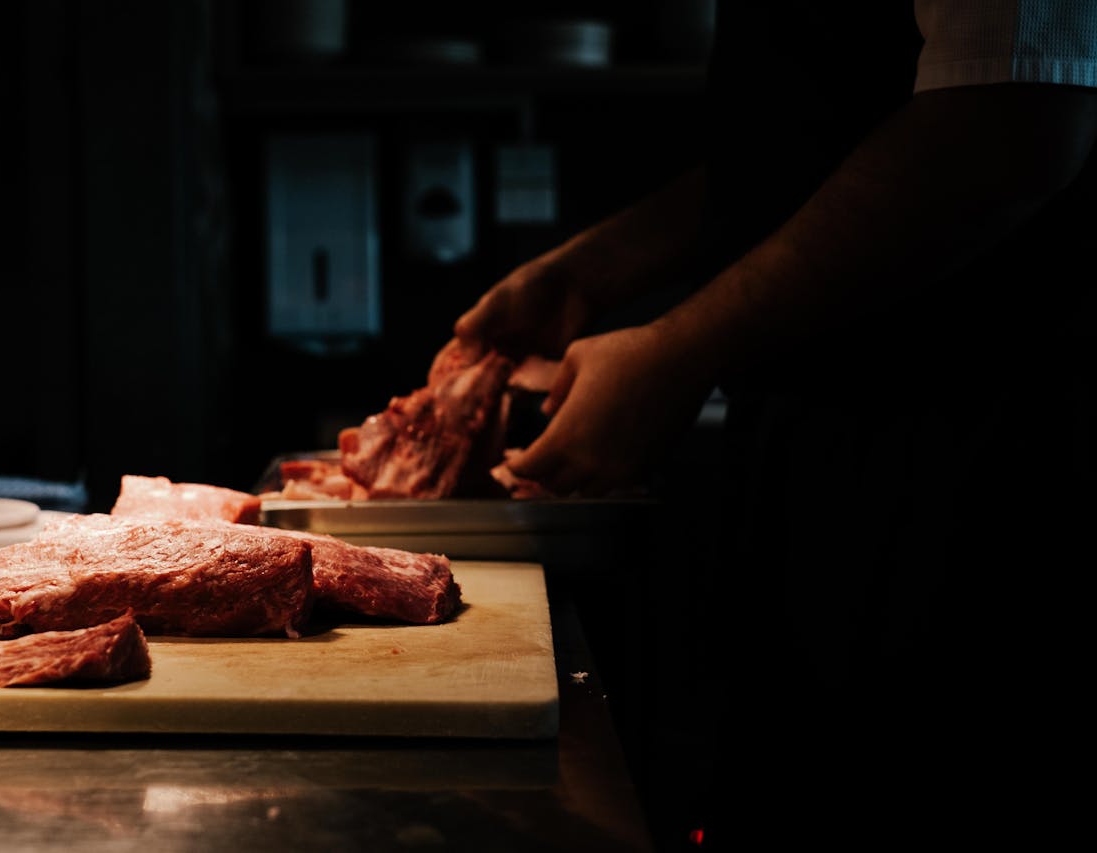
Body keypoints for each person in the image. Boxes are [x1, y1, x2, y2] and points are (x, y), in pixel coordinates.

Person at [456, 2, 1096, 849]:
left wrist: (681, 351)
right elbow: (810, 149)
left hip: (985, 469)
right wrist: (596, 268)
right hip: (825, 458)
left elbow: (1012, 121)